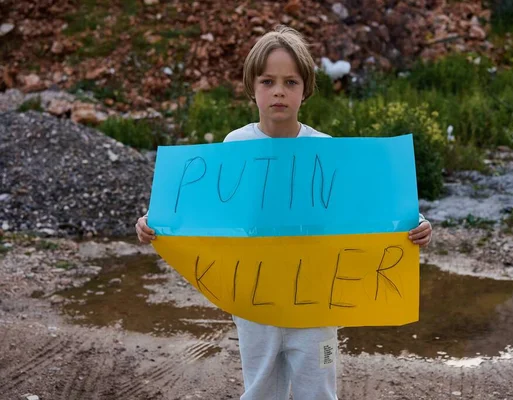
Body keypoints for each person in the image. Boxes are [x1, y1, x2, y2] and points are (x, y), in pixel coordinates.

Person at [135, 25, 433, 400]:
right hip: (253, 302)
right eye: (268, 81)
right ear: (252, 87)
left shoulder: (325, 150)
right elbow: (201, 212)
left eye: (290, 82)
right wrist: (152, 223)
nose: (279, 90)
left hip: (316, 305)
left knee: (319, 392)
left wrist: (415, 224)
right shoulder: (234, 147)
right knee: (260, 390)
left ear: (305, 89)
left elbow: (365, 211)